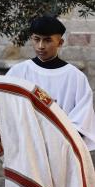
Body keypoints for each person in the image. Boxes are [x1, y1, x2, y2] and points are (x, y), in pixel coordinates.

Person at [6, 15, 95, 150]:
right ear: (31, 38)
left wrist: (58, 143)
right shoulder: (17, 72)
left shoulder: (75, 77)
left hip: (62, 149)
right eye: (36, 39)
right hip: (27, 148)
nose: (41, 46)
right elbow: (6, 108)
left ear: (60, 42)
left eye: (47, 40)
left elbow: (82, 119)